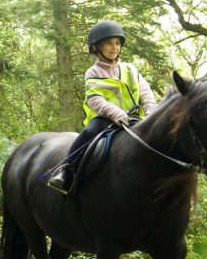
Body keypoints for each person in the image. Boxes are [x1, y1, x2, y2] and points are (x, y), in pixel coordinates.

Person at [47, 20, 158, 195]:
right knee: (88, 133)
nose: (114, 47)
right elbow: (95, 99)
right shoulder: (93, 72)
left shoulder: (130, 69)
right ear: (97, 47)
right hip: (104, 121)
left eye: (117, 43)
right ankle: (66, 169)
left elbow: (146, 93)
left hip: (134, 120)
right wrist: (115, 113)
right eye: (109, 43)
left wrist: (152, 112)